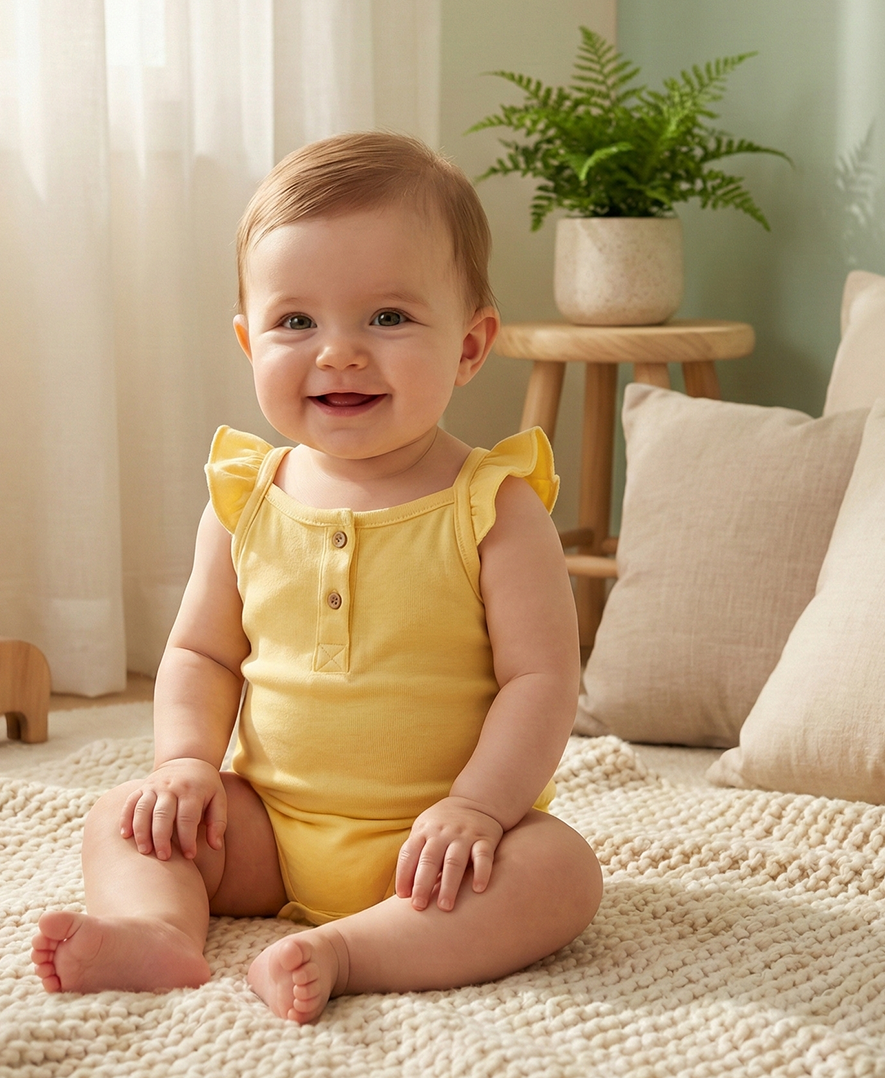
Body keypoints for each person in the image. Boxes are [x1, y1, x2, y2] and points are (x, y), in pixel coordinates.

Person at [31, 130, 603, 1023]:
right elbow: (200, 655)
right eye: (296, 322)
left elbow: (543, 680)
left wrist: (480, 811)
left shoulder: (492, 507)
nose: (338, 352)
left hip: (437, 847)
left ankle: (352, 949)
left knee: (562, 872)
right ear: (246, 339)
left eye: (387, 317)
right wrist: (183, 765)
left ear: (469, 345)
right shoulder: (246, 499)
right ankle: (158, 931)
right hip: (265, 829)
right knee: (126, 816)